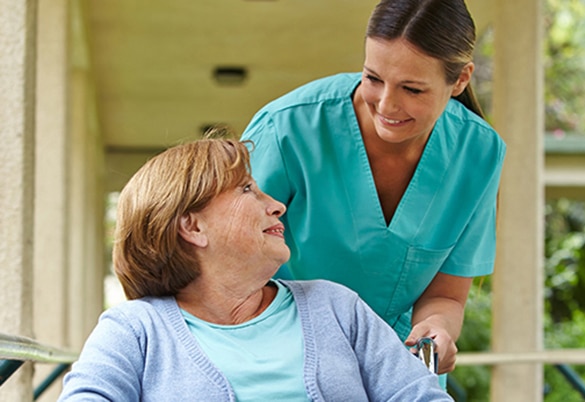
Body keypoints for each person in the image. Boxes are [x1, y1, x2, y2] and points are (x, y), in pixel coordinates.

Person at [57, 137, 452, 401]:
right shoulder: (134, 329)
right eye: (247, 189)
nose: (277, 204)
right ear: (193, 226)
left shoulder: (336, 307)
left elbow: (420, 396)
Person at [240, 0, 506, 387]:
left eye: (412, 89)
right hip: (280, 357)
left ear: (461, 80)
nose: (386, 104)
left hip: (398, 367)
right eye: (373, 78)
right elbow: (226, 268)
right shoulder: (287, 130)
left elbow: (446, 297)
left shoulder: (478, 153)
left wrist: (437, 330)